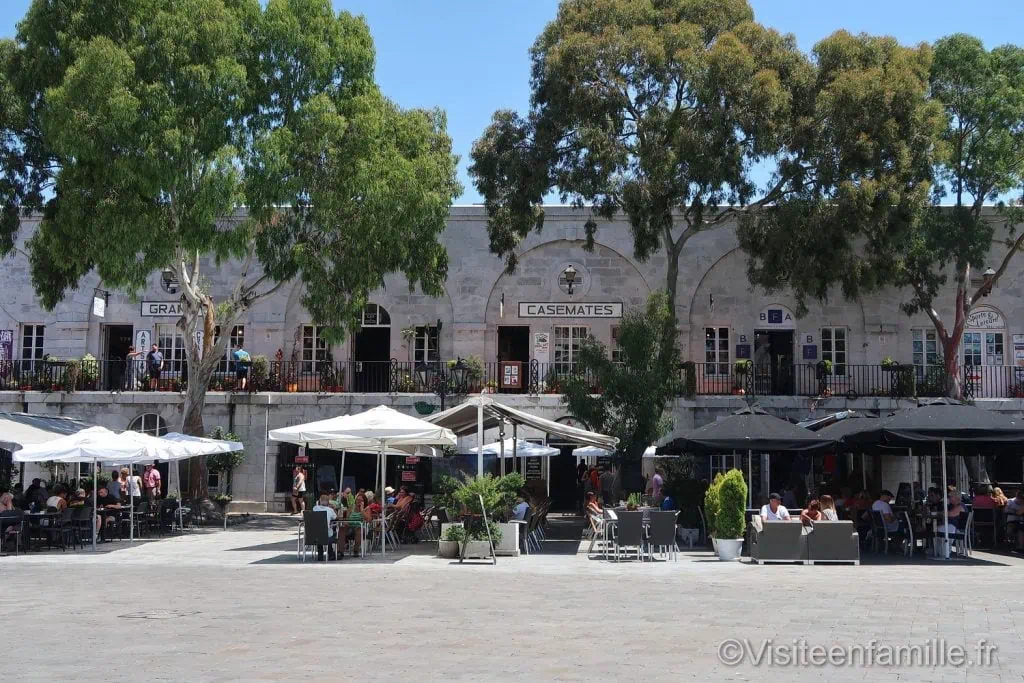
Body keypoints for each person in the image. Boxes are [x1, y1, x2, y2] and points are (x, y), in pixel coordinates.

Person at [311, 493, 338, 561]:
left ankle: (320, 554)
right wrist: (333, 508)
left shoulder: (314, 508)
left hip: (314, 535)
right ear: (328, 502)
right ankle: (330, 554)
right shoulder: (330, 510)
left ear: (320, 501)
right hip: (327, 535)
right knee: (330, 533)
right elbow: (335, 517)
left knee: (319, 531)